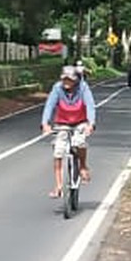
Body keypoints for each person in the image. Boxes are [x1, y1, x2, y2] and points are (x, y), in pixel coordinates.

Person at [41, 64, 97, 197]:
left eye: (70, 79)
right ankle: (58, 186)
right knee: (58, 152)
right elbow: (49, 106)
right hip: (62, 123)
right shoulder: (57, 88)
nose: (66, 82)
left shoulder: (83, 88)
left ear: (76, 80)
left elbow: (90, 106)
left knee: (80, 143)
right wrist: (45, 123)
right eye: (64, 79)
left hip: (80, 121)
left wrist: (91, 123)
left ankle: (83, 166)